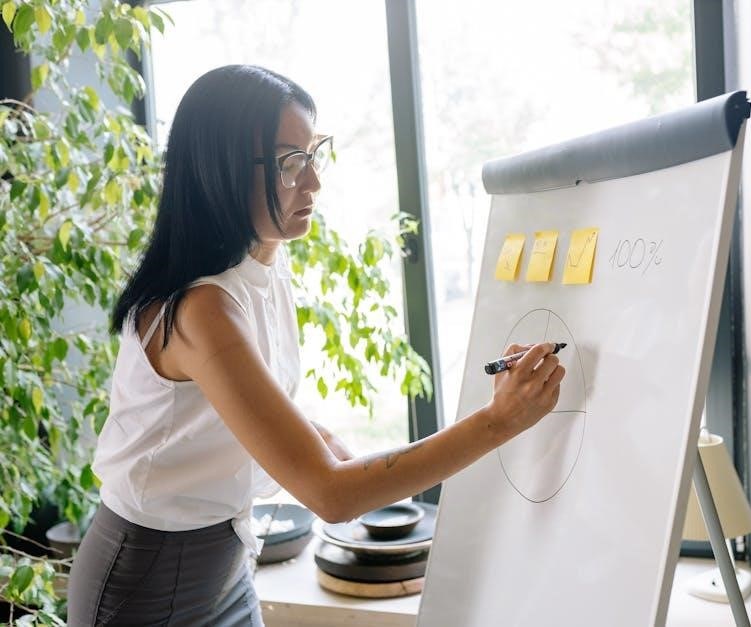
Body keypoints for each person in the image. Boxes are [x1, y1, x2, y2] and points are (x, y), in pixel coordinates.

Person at [66, 65, 565, 626]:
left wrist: (315, 437)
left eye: (313, 154)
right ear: (221, 170)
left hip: (225, 561)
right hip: (147, 584)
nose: (313, 183)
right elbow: (331, 496)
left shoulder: (263, 266)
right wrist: (498, 421)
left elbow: (225, 408)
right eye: (290, 163)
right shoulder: (202, 309)